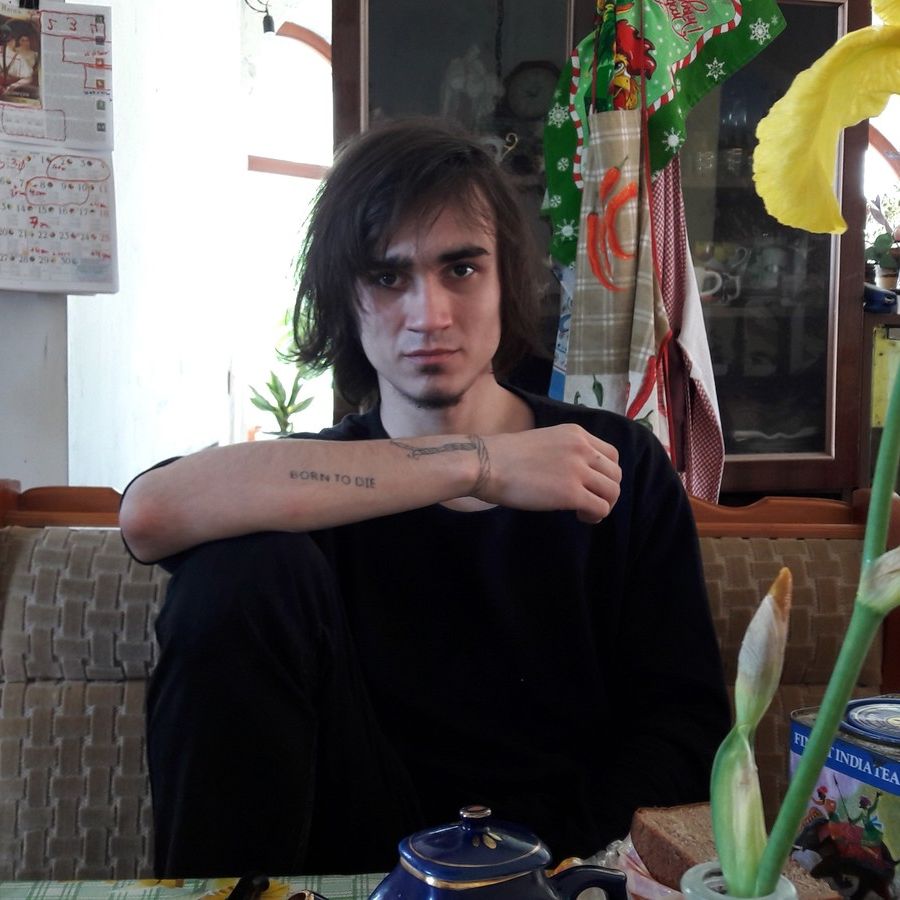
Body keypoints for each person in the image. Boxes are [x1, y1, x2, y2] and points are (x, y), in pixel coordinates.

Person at [120, 118, 730, 879]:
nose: (429, 316)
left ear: (507, 280)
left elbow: (685, 730)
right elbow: (148, 513)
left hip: (558, 863)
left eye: (461, 269)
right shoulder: (315, 481)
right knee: (235, 573)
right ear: (344, 298)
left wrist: (541, 875)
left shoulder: (616, 460)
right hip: (350, 860)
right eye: (387, 278)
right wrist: (477, 464)